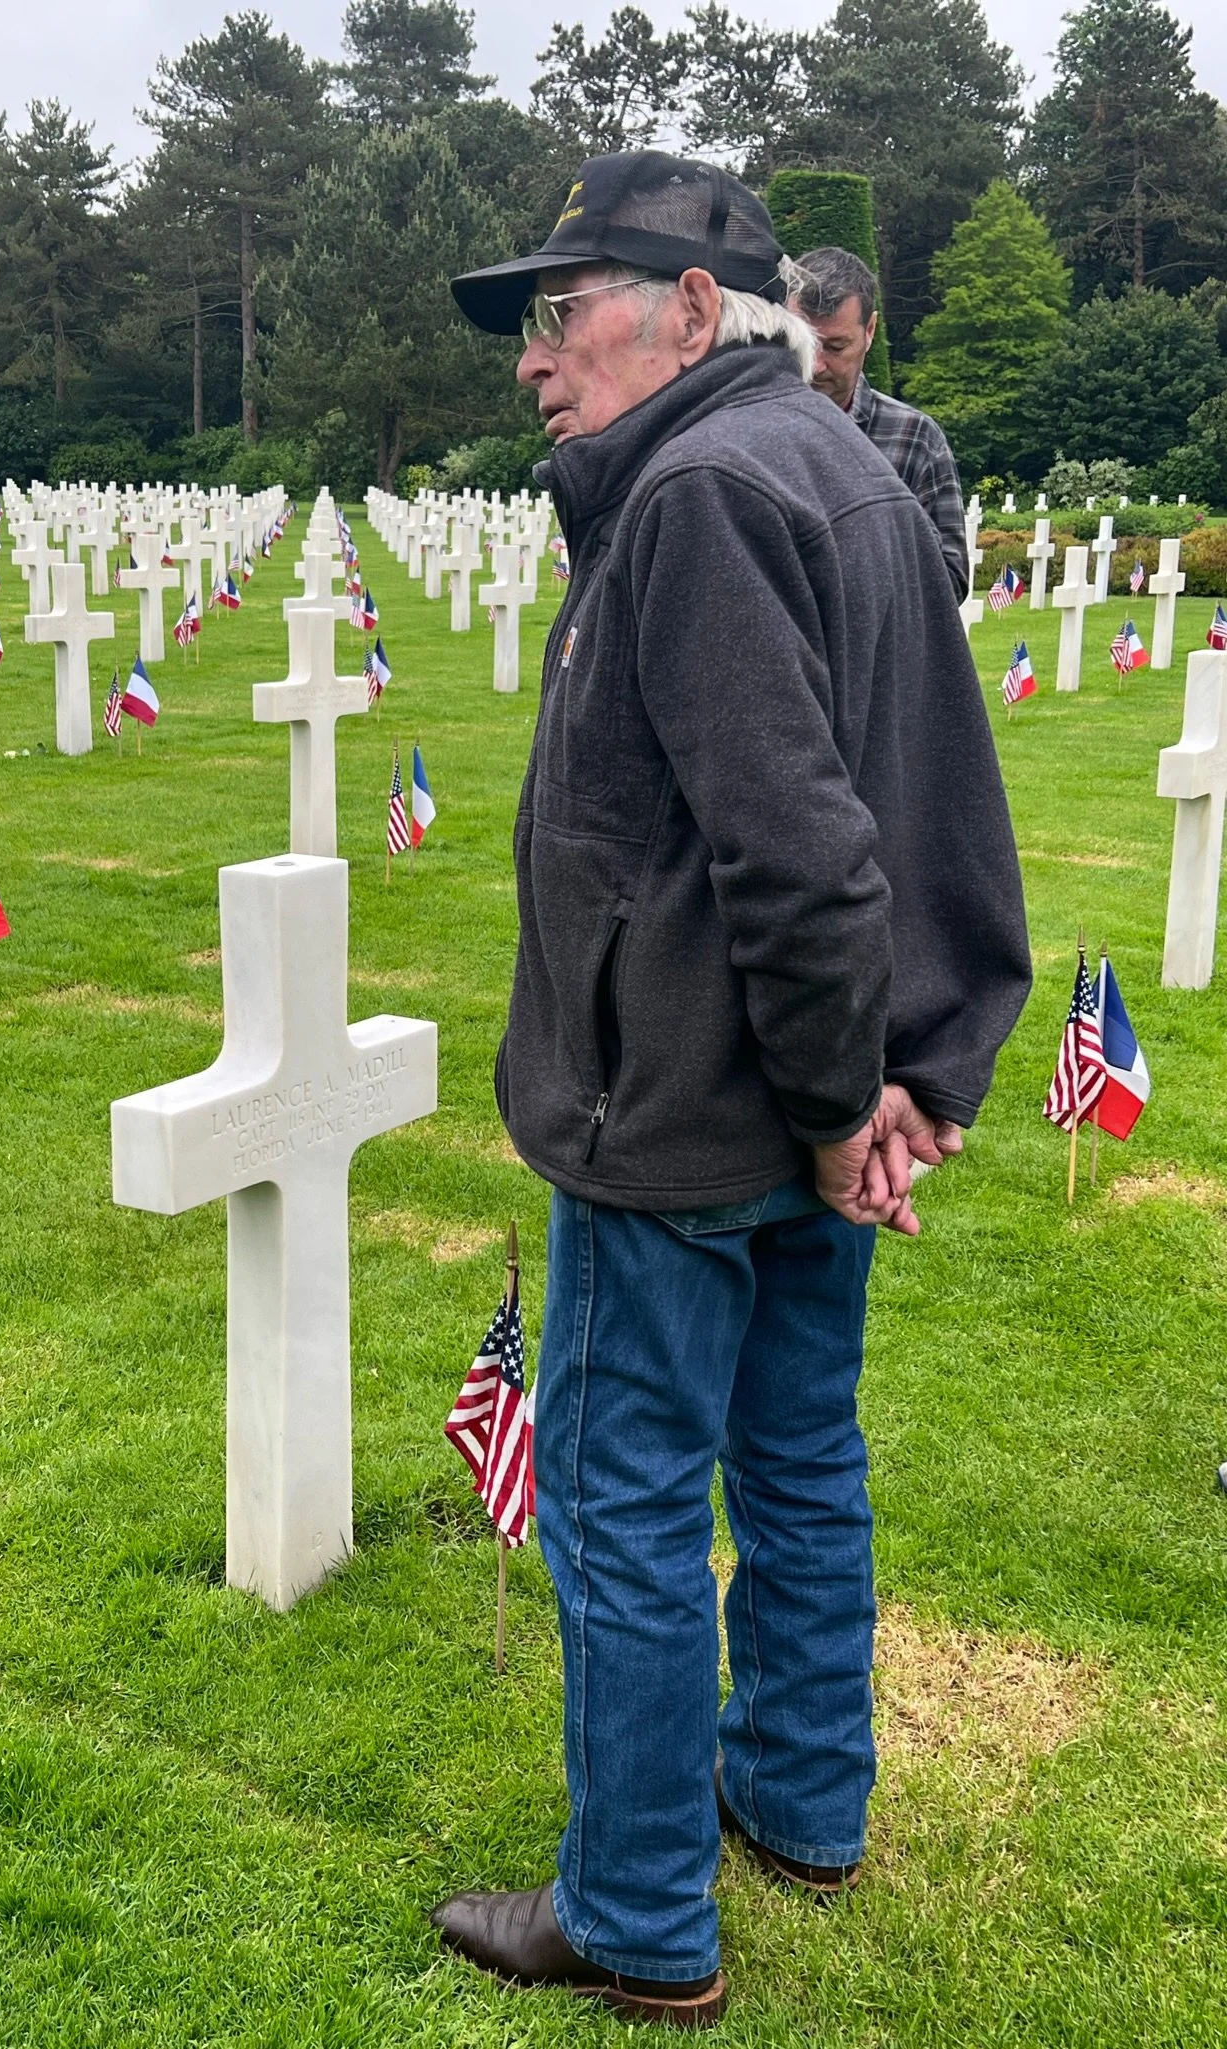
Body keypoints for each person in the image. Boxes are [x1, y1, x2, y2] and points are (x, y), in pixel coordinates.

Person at [430, 152, 1031, 2028]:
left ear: (696, 311)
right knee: (797, 1457)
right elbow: (920, 807)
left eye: (563, 307)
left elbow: (805, 847)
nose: (534, 359)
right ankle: (797, 1800)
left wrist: (853, 1084)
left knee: (623, 1499)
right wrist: (889, 1084)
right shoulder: (834, 462)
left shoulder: (695, 491)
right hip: (796, 1097)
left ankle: (633, 1910)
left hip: (685, 1107)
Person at [787, 245, 970, 599]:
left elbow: (950, 582)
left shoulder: (915, 438)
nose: (816, 365)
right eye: (804, 344)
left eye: (836, 347)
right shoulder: (750, 431)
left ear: (870, 330)